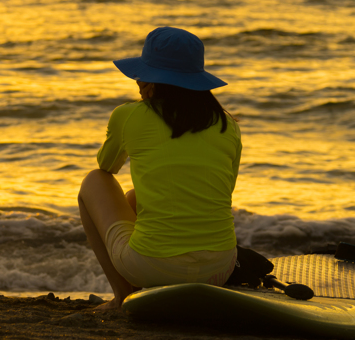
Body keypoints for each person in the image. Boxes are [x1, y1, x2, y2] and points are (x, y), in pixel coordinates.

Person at [79, 26, 241, 311]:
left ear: (152, 82)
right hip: (220, 268)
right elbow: (223, 190)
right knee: (134, 198)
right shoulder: (228, 125)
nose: (138, 84)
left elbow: (106, 167)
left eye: (141, 77)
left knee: (94, 181)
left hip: (152, 266)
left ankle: (122, 297)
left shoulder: (129, 115)